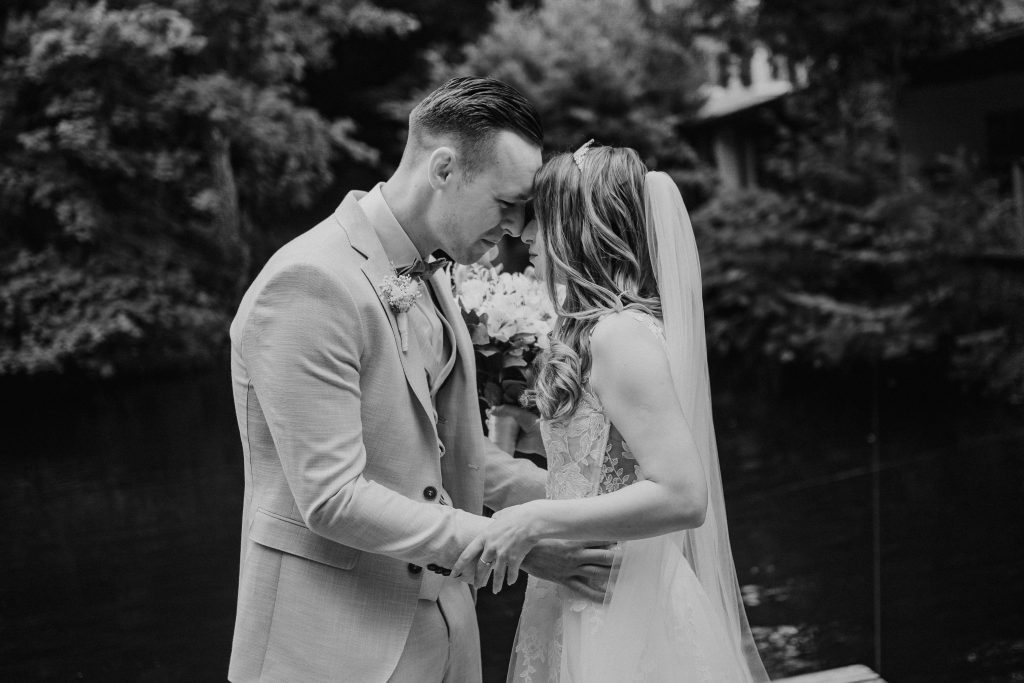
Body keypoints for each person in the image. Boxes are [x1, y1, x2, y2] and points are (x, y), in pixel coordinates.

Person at [227, 78, 614, 683]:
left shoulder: (431, 273)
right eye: (507, 202)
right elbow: (333, 498)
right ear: (443, 168)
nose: (516, 227)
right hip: (333, 645)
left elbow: (449, 454)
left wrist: (581, 500)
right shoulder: (307, 282)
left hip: (445, 626)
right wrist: (513, 543)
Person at [452, 142, 771, 682]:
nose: (526, 236)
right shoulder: (594, 334)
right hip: (589, 589)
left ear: (577, 228)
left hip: (623, 606)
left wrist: (534, 519)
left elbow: (683, 495)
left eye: (540, 219)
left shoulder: (620, 335)